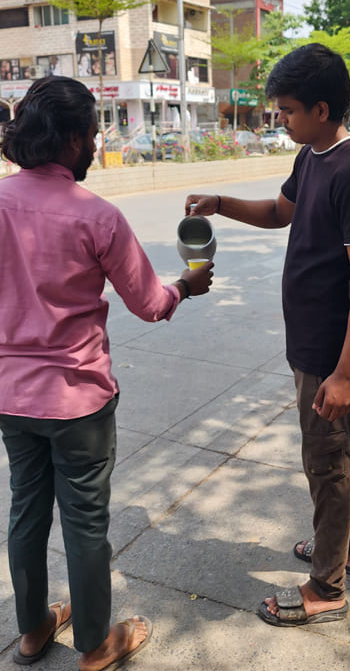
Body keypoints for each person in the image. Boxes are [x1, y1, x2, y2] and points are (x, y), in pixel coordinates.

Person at [0, 76, 214, 669]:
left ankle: (32, 630)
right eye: (94, 134)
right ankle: (95, 644)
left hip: (10, 398)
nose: (97, 145)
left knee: (25, 511)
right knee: (85, 524)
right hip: (78, 401)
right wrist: (186, 286)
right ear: (72, 139)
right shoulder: (97, 216)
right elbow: (150, 303)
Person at [185, 43, 350, 627]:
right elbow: (279, 213)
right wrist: (220, 203)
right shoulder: (312, 156)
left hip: (330, 351)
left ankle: (327, 587)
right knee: (338, 449)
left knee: (325, 461)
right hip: (312, 342)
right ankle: (348, 550)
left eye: (289, 110)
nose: (281, 119)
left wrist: (343, 373)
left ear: (321, 109)